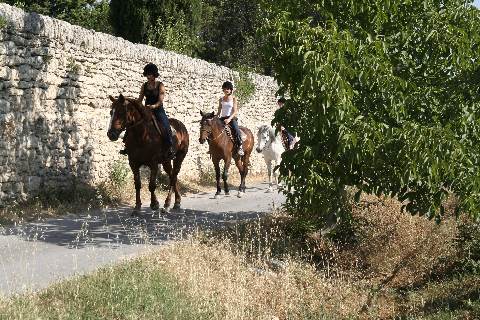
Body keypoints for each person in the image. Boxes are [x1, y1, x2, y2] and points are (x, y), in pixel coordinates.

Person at [120, 63, 175, 160]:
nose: (149, 76)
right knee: (132, 122)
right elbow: (140, 100)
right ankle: (126, 145)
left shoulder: (160, 85)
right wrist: (132, 103)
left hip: (158, 110)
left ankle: (169, 148)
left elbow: (160, 101)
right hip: (146, 110)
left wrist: (153, 106)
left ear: (154, 74)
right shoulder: (144, 86)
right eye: (147, 74)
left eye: (151, 74)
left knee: (166, 125)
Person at [217, 81, 244, 156]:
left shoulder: (234, 99)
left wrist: (229, 119)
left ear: (231, 90)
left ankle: (240, 146)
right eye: (225, 89)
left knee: (236, 130)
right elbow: (219, 110)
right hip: (222, 118)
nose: (226, 90)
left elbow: (235, 111)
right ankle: (212, 147)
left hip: (231, 118)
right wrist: (216, 117)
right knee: (213, 129)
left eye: (228, 89)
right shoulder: (221, 99)